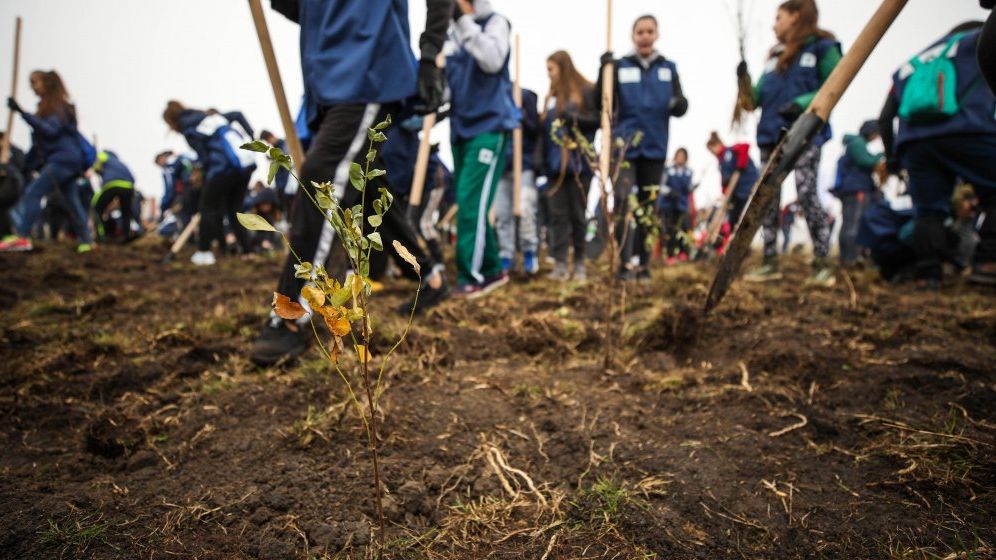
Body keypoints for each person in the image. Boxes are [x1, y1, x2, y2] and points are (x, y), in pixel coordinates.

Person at [250, 0, 452, 366]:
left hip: (371, 68)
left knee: (320, 177)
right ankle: (432, 277)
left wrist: (429, 53)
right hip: (326, 77)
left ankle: (291, 313)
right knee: (367, 190)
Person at [879, 20, 996, 286]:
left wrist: (893, 157)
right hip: (969, 131)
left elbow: (886, 118)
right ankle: (989, 261)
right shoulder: (977, 40)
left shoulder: (910, 64)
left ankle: (926, 274)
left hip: (915, 143)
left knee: (928, 211)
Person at [738, 0, 840, 286]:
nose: (774, 24)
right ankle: (770, 261)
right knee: (767, 199)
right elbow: (752, 100)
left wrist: (802, 104)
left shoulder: (822, 47)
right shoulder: (774, 56)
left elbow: (834, 84)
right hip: (771, 134)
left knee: (806, 193)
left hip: (805, 132)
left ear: (796, 16)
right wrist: (742, 78)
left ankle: (822, 262)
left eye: (778, 17)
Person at [598, 14, 688, 280]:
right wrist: (602, 69)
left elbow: (680, 100)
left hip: (655, 146)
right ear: (633, 36)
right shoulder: (619, 66)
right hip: (624, 148)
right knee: (624, 202)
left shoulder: (668, 68)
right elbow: (602, 101)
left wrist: (679, 105)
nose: (645, 36)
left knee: (649, 206)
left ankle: (643, 264)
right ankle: (624, 264)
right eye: (640, 32)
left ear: (656, 34)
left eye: (650, 31)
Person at [446, 0, 521, 296]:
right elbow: (448, 82)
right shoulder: (451, 34)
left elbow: (492, 59)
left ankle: (470, 276)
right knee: (471, 202)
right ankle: (491, 270)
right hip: (460, 128)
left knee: (469, 201)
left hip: (489, 127)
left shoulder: (495, 23)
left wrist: (464, 22)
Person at [1, 71, 95, 253]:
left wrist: (22, 113)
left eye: (35, 83)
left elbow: (49, 130)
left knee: (33, 193)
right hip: (66, 160)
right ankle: (88, 241)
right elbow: (38, 147)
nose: (32, 88)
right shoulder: (47, 109)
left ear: (48, 83)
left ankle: (22, 236)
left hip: (63, 159)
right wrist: (24, 167)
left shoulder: (58, 108)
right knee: (72, 201)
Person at [162, 101, 256, 265]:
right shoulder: (209, 117)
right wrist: (252, 136)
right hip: (244, 163)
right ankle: (247, 252)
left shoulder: (188, 128)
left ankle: (204, 252)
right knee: (235, 209)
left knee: (207, 207)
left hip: (222, 167)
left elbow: (205, 157)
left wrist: (202, 175)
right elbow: (237, 114)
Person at [542, 50, 599, 281]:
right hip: (555, 166)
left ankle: (579, 263)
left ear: (563, 68)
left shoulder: (585, 92)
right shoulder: (551, 98)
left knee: (577, 214)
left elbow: (598, 120)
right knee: (557, 217)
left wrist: (574, 120)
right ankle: (559, 263)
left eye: (551, 69)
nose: (548, 75)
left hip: (579, 166)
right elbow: (543, 133)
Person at [494, 87, 541, 275]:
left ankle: (529, 253)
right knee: (501, 214)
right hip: (501, 166)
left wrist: (523, 118)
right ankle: (506, 256)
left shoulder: (525, 96)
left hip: (523, 165)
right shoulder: (494, 96)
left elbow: (535, 129)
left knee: (526, 211)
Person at [831, 120, 883, 267]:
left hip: (849, 190)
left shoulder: (853, 143)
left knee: (847, 224)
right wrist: (880, 155)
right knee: (854, 224)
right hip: (857, 189)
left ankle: (845, 257)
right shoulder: (858, 143)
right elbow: (865, 161)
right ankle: (851, 259)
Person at [706, 132, 759, 238]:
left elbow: (745, 147)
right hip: (737, 194)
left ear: (718, 144)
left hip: (748, 187)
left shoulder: (730, 151)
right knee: (733, 219)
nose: (712, 153)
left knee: (746, 217)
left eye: (712, 149)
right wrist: (724, 193)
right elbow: (726, 184)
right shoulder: (721, 163)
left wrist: (741, 164)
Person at [90, 150, 138, 242]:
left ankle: (100, 236)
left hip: (112, 184)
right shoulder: (120, 163)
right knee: (126, 212)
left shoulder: (103, 155)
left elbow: (96, 163)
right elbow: (133, 178)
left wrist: (95, 168)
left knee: (97, 209)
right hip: (129, 186)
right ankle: (126, 235)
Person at [658, 148, 694, 263]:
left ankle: (683, 253)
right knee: (670, 230)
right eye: (678, 156)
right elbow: (661, 186)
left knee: (682, 229)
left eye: (682, 156)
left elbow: (689, 188)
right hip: (668, 205)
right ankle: (670, 254)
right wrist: (669, 192)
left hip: (682, 206)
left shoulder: (689, 172)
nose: (680, 158)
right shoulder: (668, 170)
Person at [0, 132, 27, 238]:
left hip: (13, 185)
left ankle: (21, 235)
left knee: (17, 212)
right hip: (4, 184)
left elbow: (21, 164)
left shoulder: (13, 151)